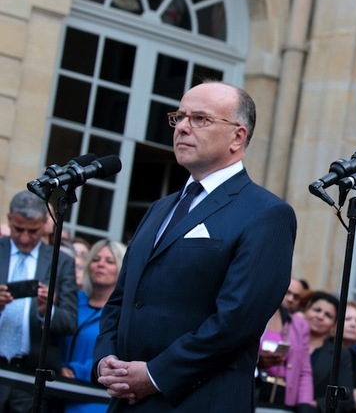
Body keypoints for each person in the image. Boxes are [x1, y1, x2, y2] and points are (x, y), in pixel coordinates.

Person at [93, 81, 297, 411]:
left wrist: (156, 375)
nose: (184, 127)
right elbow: (122, 298)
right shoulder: (160, 208)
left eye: (200, 119)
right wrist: (106, 360)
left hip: (199, 401)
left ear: (237, 137)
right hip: (127, 399)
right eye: (180, 117)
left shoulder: (266, 213)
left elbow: (235, 322)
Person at [0, 190, 78, 412]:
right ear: (9, 219)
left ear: (45, 223)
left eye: (32, 231)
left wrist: (47, 311)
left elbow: (70, 322)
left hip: (32, 377)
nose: (25, 237)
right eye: (18, 229)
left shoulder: (61, 262)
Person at [60, 239, 127, 412]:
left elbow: (120, 354)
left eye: (109, 261)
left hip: (92, 398)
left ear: (121, 268)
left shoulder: (124, 312)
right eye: (96, 259)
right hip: (56, 391)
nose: (100, 265)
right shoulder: (74, 301)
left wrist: (78, 370)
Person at [256, 278, 316, 411]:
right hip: (253, 389)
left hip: (284, 396)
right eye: (287, 293)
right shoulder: (258, 315)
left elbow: (304, 370)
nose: (290, 299)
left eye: (296, 297)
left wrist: (305, 404)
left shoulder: (300, 326)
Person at [304, 291, 355, 412]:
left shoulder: (340, 355)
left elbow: (346, 397)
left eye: (328, 315)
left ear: (333, 325)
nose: (320, 316)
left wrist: (315, 405)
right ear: (306, 311)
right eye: (317, 310)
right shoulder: (285, 340)